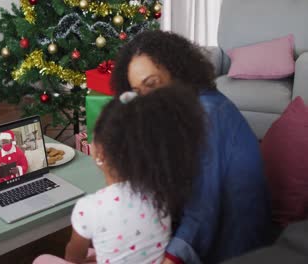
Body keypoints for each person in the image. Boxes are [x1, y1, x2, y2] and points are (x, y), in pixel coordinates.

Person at [110, 30, 271, 264]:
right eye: (138, 92)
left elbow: (203, 211)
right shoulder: (183, 106)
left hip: (233, 242)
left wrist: (170, 258)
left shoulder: (206, 115)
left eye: (152, 84)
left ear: (176, 71)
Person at [34, 85, 206, 264]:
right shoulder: (162, 194)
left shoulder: (89, 208)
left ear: (99, 153)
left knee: (42, 259)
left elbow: (74, 257)